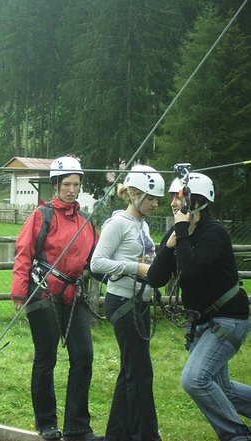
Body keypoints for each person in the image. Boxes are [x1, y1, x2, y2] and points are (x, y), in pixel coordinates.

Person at [148, 172, 251, 440]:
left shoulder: (214, 233)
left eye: (178, 197)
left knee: (194, 379)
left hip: (229, 318)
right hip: (202, 322)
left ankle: (237, 436)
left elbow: (192, 269)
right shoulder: (176, 234)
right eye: (172, 197)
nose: (173, 203)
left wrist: (180, 234)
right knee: (222, 389)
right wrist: (168, 247)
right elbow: (155, 278)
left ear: (197, 202)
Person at [11, 156, 102, 441]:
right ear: (55, 185)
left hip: (74, 295)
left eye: (76, 184)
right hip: (43, 292)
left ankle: (78, 426)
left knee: (84, 355)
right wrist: (19, 291)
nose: (72, 190)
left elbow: (97, 258)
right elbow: (24, 252)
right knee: (46, 357)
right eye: (67, 184)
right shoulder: (42, 216)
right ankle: (47, 423)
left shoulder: (87, 221)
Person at [90, 164, 164, 441]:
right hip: (122, 302)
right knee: (141, 373)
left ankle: (117, 435)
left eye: (157, 199)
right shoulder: (118, 223)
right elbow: (97, 262)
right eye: (151, 198)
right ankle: (145, 436)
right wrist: (135, 268)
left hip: (139, 303)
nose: (156, 204)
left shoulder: (141, 224)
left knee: (130, 370)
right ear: (133, 194)